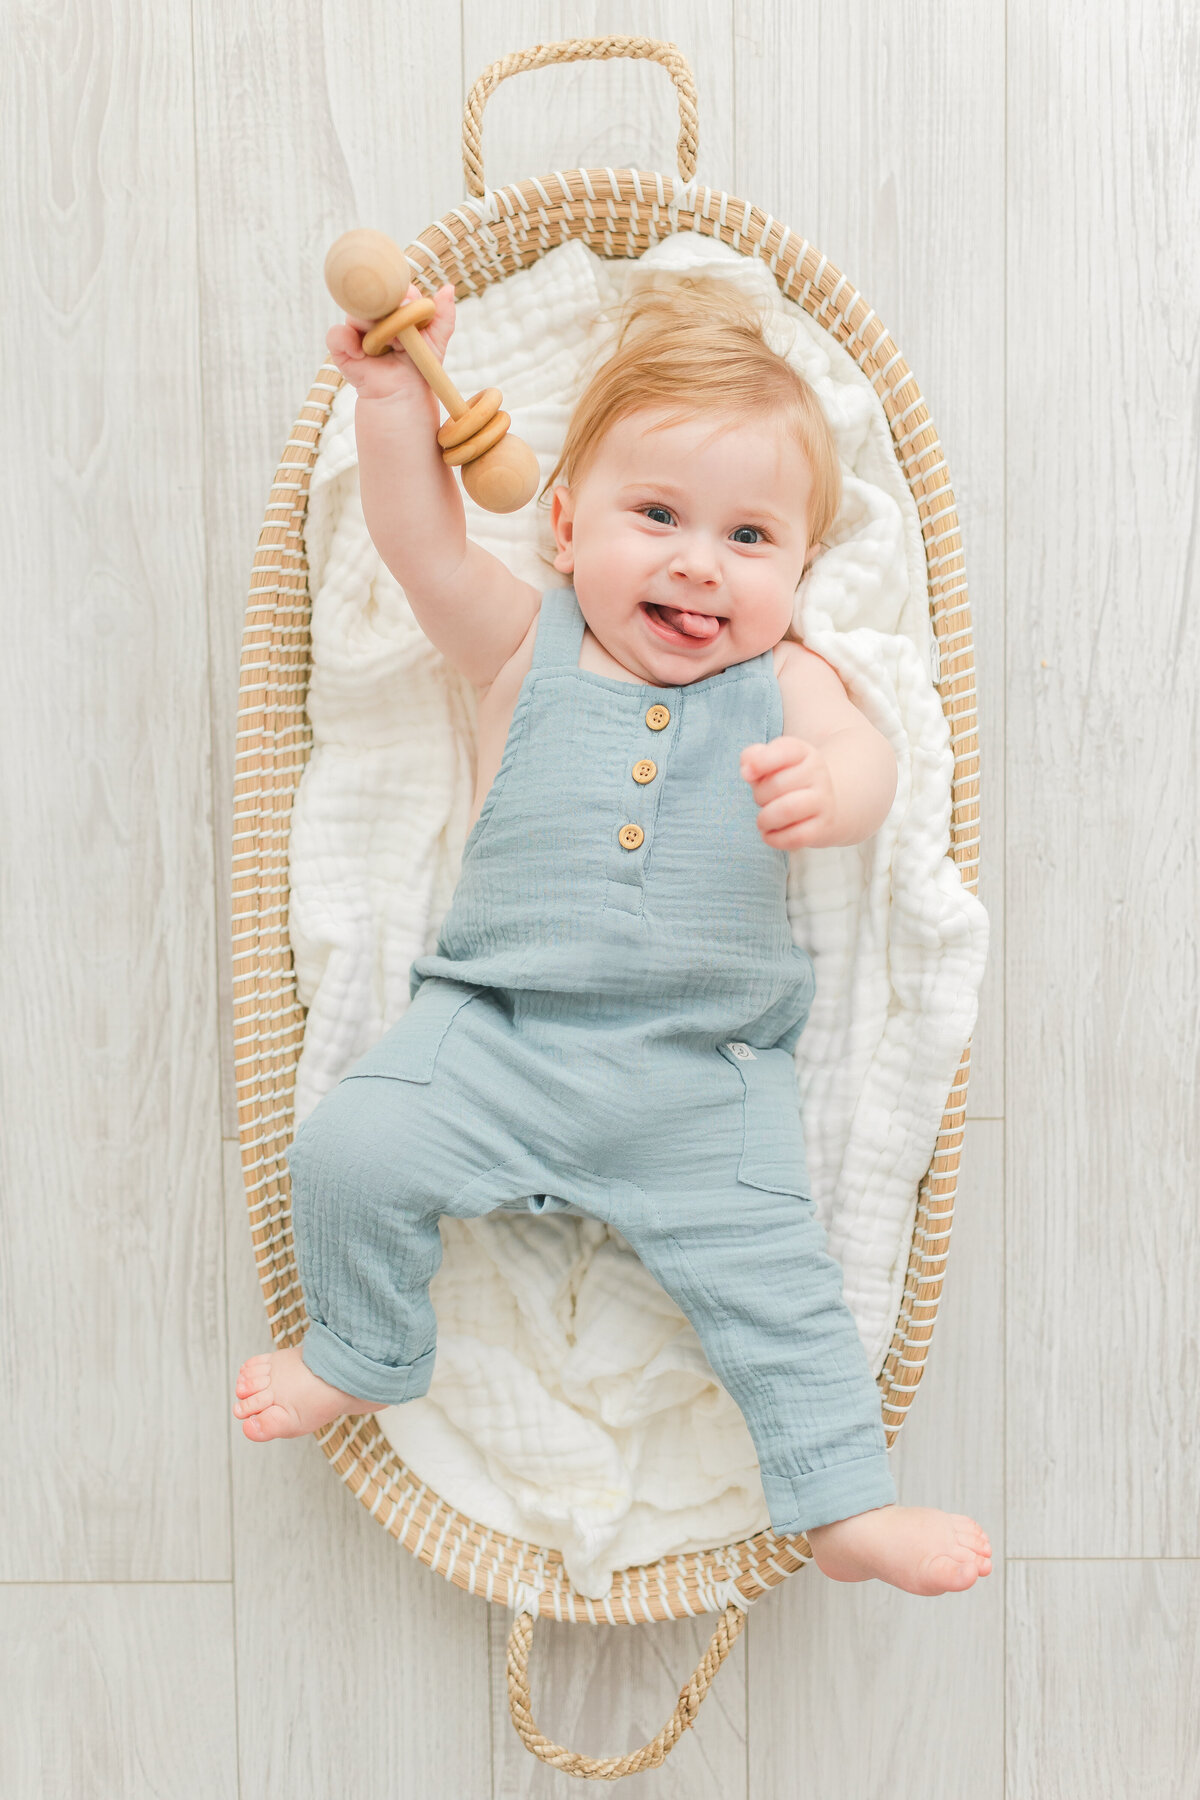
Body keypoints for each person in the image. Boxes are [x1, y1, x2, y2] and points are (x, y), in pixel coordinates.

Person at [234, 277, 992, 1597]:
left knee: (782, 1286)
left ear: (802, 570)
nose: (701, 562)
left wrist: (834, 796)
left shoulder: (789, 678)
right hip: (494, 1033)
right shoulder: (527, 640)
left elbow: (868, 763)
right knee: (348, 1147)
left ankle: (840, 1500)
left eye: (751, 535)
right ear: (569, 527)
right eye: (658, 517)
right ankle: (367, 1347)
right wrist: (394, 398)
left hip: (701, 1078)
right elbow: (418, 543)